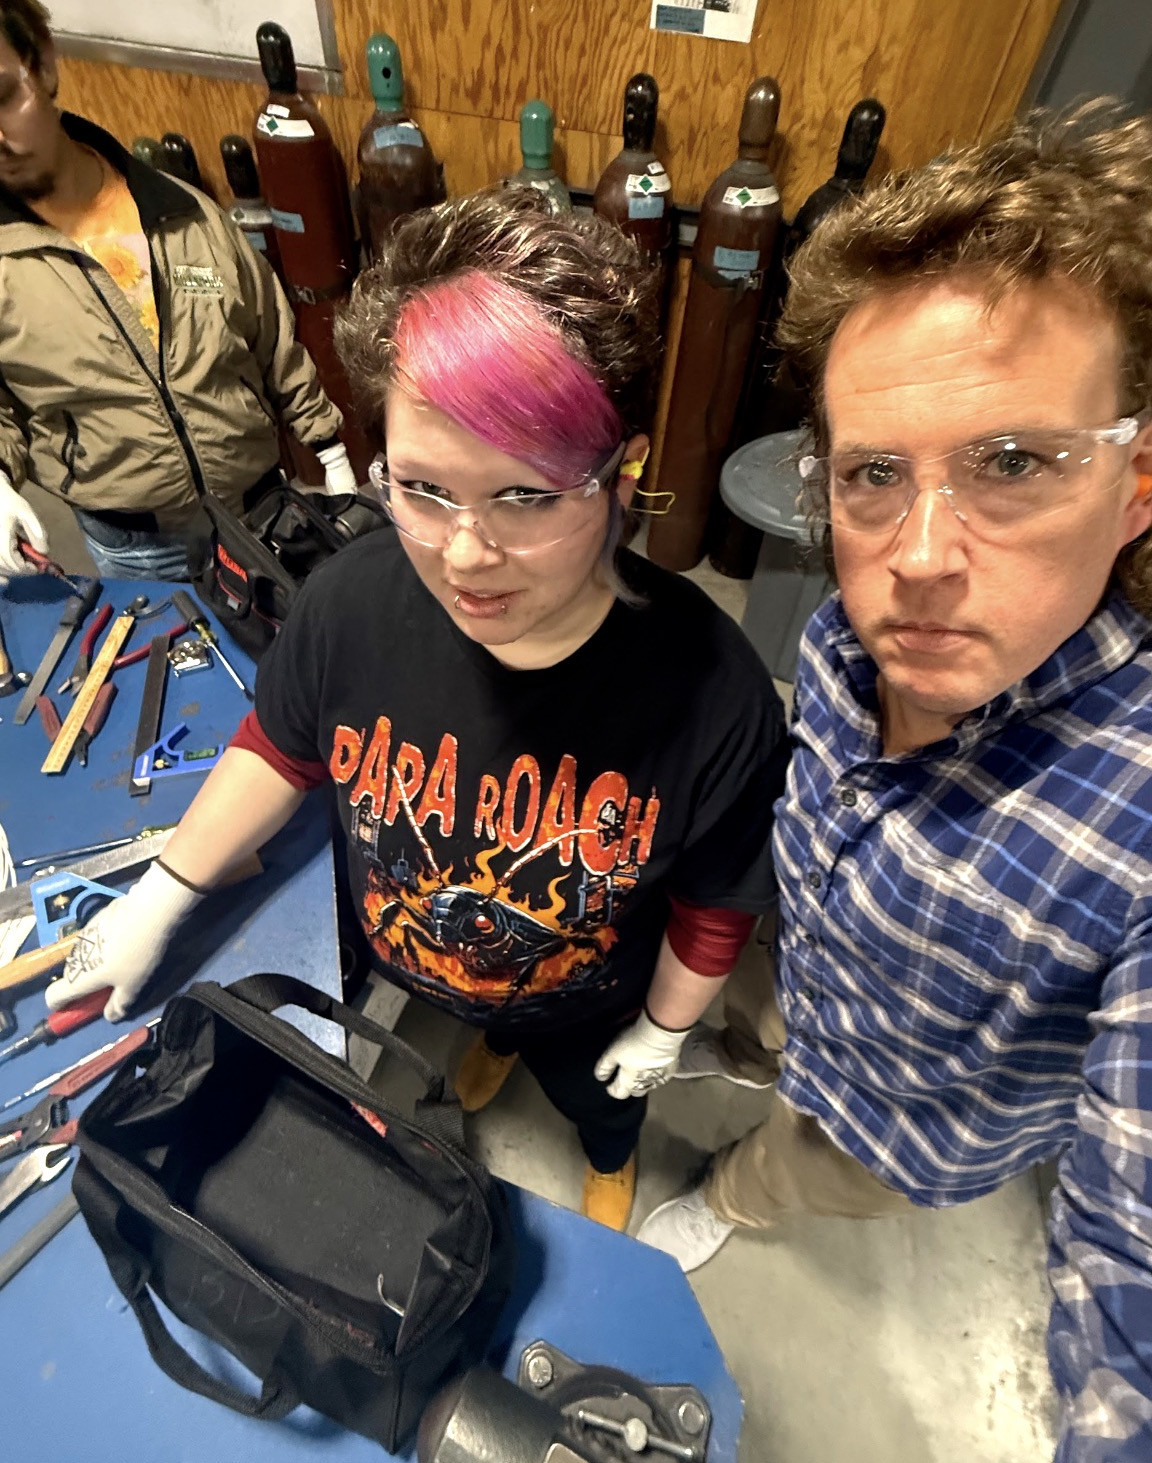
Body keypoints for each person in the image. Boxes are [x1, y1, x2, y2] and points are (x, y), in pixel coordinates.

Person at [45, 188, 789, 1229]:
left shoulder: (715, 691)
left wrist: (666, 1028)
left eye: (525, 495)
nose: (466, 554)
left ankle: (606, 1148)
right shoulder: (349, 603)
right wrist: (162, 894)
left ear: (621, 473)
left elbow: (717, 899)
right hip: (429, 970)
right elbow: (282, 744)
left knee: (598, 1097)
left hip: (590, 1002)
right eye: (425, 488)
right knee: (485, 1033)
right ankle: (494, 1038)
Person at [635, 101, 1152, 1458]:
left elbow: (1146, 1276)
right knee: (756, 1024)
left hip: (897, 1126)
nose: (920, 555)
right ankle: (749, 1048)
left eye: (1013, 462)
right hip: (809, 971)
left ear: (1141, 474)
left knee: (791, 1164)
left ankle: (735, 1191)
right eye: (874, 473)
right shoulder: (838, 641)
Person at [0, 0, 356, 584]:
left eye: (2, 97)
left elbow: (273, 339)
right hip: (139, 549)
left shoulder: (185, 213)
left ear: (44, 63)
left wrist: (330, 452)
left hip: (263, 513)